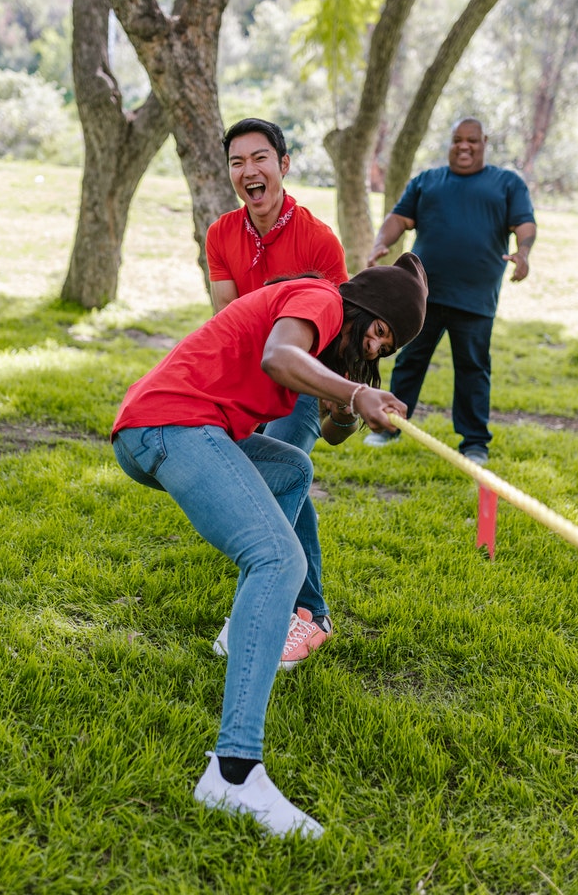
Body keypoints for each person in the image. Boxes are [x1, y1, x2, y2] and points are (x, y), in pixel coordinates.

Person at [111, 254, 428, 837]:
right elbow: (277, 357)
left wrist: (347, 405)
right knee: (280, 558)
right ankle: (233, 776)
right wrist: (355, 392)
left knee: (291, 467)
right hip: (169, 425)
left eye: (389, 345)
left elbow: (331, 430)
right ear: (362, 307)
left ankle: (246, 623)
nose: (378, 348)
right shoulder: (322, 299)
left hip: (161, 428)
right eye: (381, 330)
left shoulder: (332, 345)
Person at [207, 118, 349, 667]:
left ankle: (295, 613)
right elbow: (226, 318)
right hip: (249, 381)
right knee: (279, 478)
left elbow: (331, 329)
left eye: (260, 158)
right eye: (238, 162)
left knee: (285, 470)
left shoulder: (318, 239)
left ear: (284, 165)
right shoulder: (221, 234)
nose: (249, 171)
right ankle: (306, 611)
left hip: (302, 384)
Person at [364, 116, 537, 464]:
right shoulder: (428, 181)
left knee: (473, 369)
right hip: (422, 295)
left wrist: (523, 253)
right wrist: (380, 243)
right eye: (457, 139)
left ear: (484, 142)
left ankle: (474, 444)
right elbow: (399, 218)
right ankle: (389, 426)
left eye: (472, 140)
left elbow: (525, 224)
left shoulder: (506, 183)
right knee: (410, 361)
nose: (464, 146)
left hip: (475, 298)